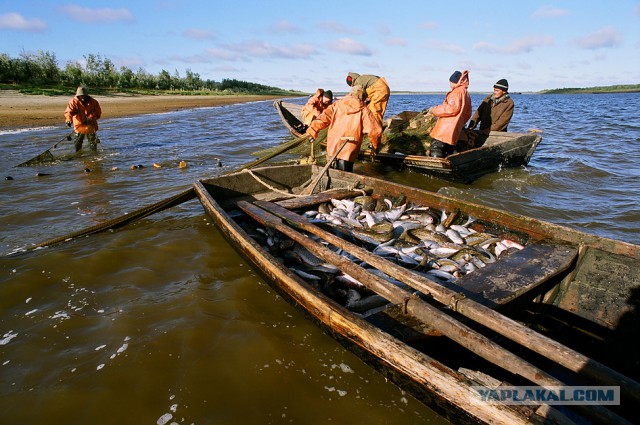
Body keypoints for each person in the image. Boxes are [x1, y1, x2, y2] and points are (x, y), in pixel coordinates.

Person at [305, 85, 382, 172]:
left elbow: (322, 119)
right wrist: (376, 145)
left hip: (333, 145)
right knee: (345, 173)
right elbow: (375, 131)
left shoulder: (336, 105)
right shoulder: (364, 109)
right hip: (349, 148)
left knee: (331, 172)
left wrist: (312, 130)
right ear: (363, 97)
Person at [426, 70, 472, 158]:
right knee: (450, 148)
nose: (450, 85)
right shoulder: (466, 93)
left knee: (436, 147)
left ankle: (436, 168)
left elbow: (452, 108)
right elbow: (468, 113)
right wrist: (461, 123)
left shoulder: (456, 92)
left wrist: (434, 110)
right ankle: (455, 166)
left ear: (454, 82)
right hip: (456, 127)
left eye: (450, 82)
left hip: (446, 127)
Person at [64, 86, 102, 152]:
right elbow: (69, 112)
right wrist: (68, 120)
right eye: (81, 96)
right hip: (79, 126)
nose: (82, 97)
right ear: (78, 96)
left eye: (84, 96)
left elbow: (98, 113)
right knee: (77, 143)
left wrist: (91, 117)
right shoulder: (73, 102)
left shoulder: (94, 102)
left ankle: (94, 155)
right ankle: (78, 154)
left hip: (91, 126)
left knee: (93, 143)